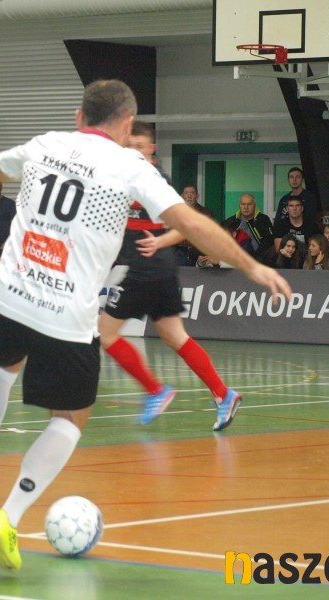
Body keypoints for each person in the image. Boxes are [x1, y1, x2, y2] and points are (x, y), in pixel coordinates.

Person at [0, 79, 292, 571]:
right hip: (65, 313)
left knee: (1, 367)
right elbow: (192, 224)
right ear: (127, 124)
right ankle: (10, 515)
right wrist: (251, 266)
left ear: (78, 117)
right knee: (70, 417)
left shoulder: (46, 143)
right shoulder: (130, 166)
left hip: (10, 294)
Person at [97, 139, 245, 430]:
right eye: (129, 145)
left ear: (151, 149)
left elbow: (185, 224)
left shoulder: (154, 180)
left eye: (138, 145)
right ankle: (223, 394)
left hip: (147, 269)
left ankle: (155, 390)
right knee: (175, 336)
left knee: (106, 333)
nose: (132, 149)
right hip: (159, 269)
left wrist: (160, 241)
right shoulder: (126, 179)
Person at [222, 193, 274, 262]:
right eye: (243, 204)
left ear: (254, 206)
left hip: (260, 259)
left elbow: (269, 241)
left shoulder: (263, 219)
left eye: (249, 204)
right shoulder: (232, 221)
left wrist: (257, 257)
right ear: (239, 206)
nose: (246, 207)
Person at [174, 184, 214, 266]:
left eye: (192, 193)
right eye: (186, 193)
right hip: (179, 252)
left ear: (197, 196)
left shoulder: (206, 213)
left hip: (199, 251)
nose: (189, 195)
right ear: (182, 196)